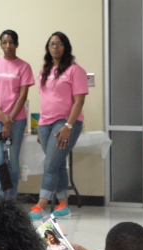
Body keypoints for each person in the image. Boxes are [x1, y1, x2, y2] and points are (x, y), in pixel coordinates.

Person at [29, 32, 88, 220]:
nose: (55, 47)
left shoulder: (74, 70)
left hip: (65, 122)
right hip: (45, 123)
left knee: (50, 165)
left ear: (66, 47)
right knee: (58, 164)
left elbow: (79, 101)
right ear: (48, 47)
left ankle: (40, 205)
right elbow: (46, 100)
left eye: (59, 43)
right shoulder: (44, 71)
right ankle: (64, 205)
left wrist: (68, 126)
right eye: (52, 43)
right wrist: (39, 126)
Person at [0, 30, 34, 198]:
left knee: (12, 163)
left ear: (17, 44)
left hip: (17, 121)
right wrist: (2, 117)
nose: (8, 46)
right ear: (0, 45)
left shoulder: (24, 66)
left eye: (11, 42)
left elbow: (23, 95)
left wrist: (9, 120)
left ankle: (10, 201)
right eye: (4, 42)